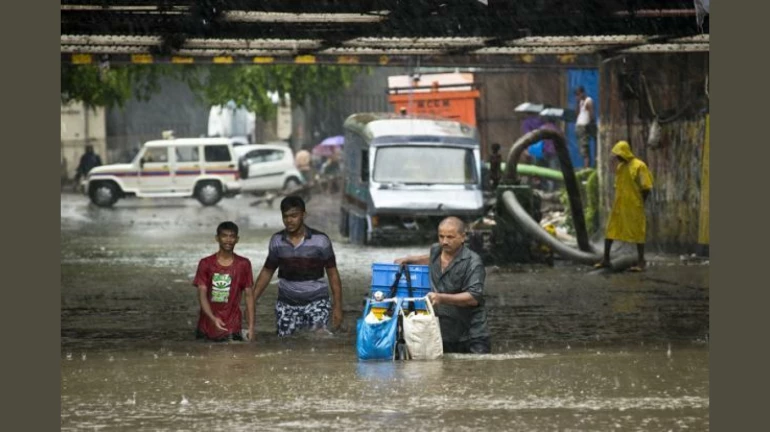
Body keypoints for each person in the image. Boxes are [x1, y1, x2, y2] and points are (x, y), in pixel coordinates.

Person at [394, 217, 491, 354]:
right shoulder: (436, 250)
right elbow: (429, 258)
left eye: (450, 237)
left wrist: (441, 298)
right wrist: (409, 259)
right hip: (445, 333)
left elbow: (473, 297)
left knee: (475, 365)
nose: (445, 241)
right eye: (441, 236)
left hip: (473, 335)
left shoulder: (473, 262)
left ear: (463, 237)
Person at [251, 196, 344, 337]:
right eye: (285, 216)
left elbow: (332, 274)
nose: (289, 220)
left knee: (318, 339)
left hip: (317, 302)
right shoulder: (277, 241)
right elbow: (267, 272)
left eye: (294, 216)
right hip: (286, 304)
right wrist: (251, 301)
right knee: (286, 342)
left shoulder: (321, 240)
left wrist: (337, 306)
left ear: (303, 215)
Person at [594, 141, 654, 272]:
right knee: (611, 230)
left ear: (625, 153)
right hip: (620, 205)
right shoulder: (620, 167)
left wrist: (640, 203)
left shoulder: (639, 166)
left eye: (619, 154)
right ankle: (606, 259)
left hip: (634, 205)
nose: (617, 157)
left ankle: (641, 261)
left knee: (638, 233)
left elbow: (647, 187)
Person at [193, 221, 255, 342]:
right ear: (217, 238)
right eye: (224, 236)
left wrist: (251, 327)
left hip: (232, 327)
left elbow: (249, 296)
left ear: (237, 239)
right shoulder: (206, 263)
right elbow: (202, 295)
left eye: (232, 236)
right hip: (206, 327)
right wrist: (213, 318)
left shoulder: (243, 264)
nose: (228, 240)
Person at [575, 86, 597, 168]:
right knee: (582, 150)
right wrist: (577, 103)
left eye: (579, 94)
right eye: (577, 95)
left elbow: (591, 114)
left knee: (585, 150)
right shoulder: (581, 102)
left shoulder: (588, 101)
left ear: (583, 93)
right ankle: (586, 167)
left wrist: (591, 124)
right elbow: (577, 114)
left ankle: (586, 168)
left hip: (584, 127)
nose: (578, 96)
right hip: (579, 127)